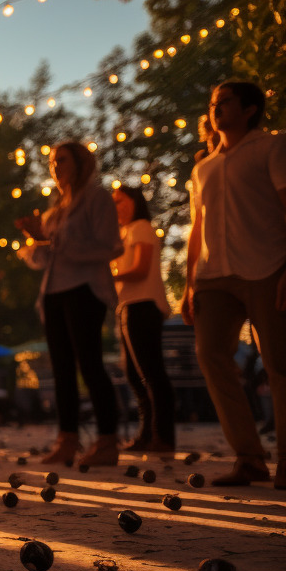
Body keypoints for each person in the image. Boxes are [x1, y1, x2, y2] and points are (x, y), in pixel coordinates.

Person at [183, 81, 286, 489]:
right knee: (211, 355)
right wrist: (188, 285)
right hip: (214, 276)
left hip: (267, 267)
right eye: (213, 102)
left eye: (225, 102)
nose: (216, 109)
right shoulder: (203, 167)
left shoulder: (274, 148)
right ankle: (249, 459)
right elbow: (196, 230)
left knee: (281, 364)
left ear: (250, 109)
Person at [16, 142, 123, 466]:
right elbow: (42, 259)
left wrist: (57, 243)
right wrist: (36, 240)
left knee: (89, 364)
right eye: (51, 161)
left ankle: (107, 440)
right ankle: (67, 439)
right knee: (61, 369)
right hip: (54, 293)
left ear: (80, 163)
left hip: (85, 290)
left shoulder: (97, 198)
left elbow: (111, 247)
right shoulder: (56, 209)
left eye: (61, 159)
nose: (55, 165)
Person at [110, 184, 174, 452]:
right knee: (134, 376)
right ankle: (146, 434)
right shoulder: (122, 234)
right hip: (127, 305)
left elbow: (140, 269)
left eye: (120, 201)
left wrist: (107, 276)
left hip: (144, 304)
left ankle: (163, 436)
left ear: (135, 202)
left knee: (151, 372)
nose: (116, 207)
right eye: (113, 203)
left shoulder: (141, 228)